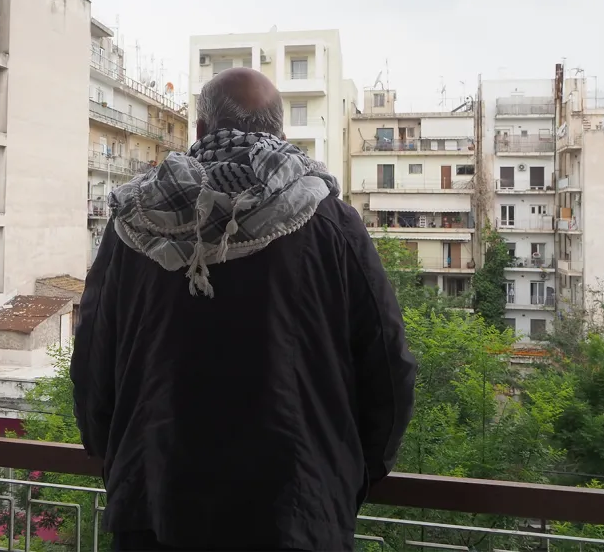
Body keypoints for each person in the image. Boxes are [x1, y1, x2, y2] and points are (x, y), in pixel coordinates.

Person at [71, 68, 416, 551]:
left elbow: (91, 361)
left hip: (152, 506)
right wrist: (348, 473)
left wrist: (121, 463)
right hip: (297, 513)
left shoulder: (133, 221)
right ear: (280, 134)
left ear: (199, 131)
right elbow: (388, 364)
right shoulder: (332, 223)